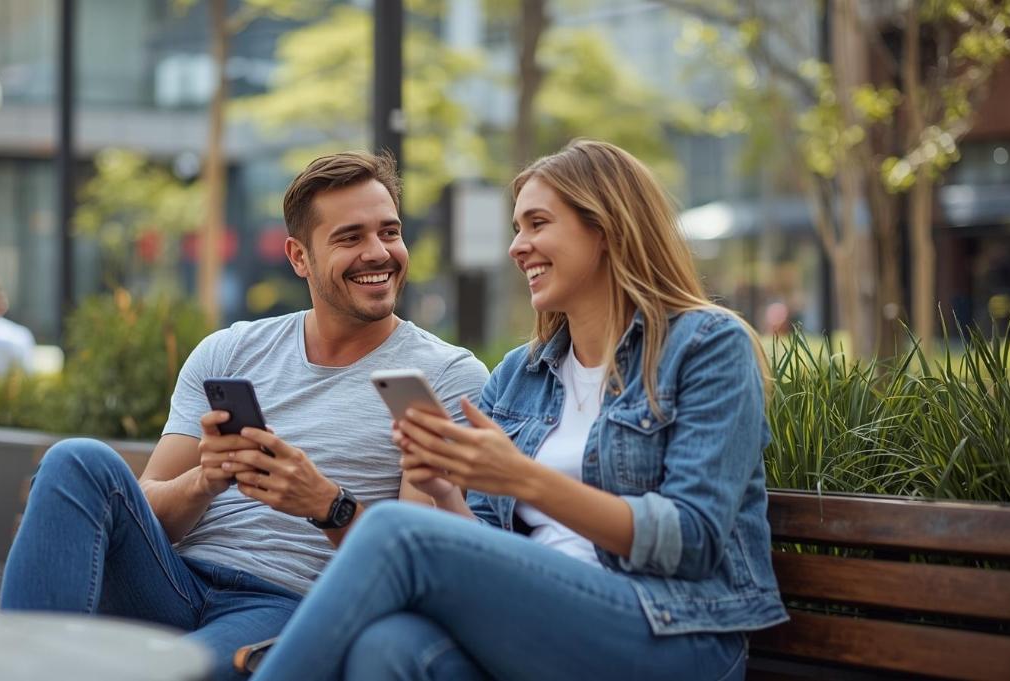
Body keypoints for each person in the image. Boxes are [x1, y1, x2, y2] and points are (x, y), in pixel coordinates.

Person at [250, 140, 788, 681]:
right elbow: (489, 548)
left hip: (674, 630)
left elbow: (692, 539)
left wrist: (523, 478)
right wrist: (444, 491)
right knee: (389, 646)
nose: (517, 247)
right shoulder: (520, 375)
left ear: (605, 229)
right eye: (516, 228)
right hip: (545, 629)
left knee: (397, 530)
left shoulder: (706, 346)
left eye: (537, 224)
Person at [0, 151, 490, 681]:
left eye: (389, 232)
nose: (379, 252)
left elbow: (416, 563)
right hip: (173, 579)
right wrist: (205, 481)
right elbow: (151, 509)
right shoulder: (231, 350)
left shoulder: (446, 376)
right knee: (77, 459)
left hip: (284, 606)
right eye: (350, 238)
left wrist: (327, 505)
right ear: (299, 257)